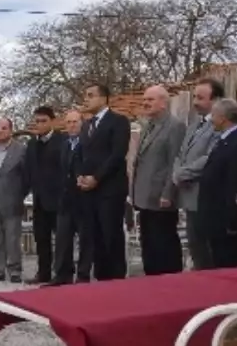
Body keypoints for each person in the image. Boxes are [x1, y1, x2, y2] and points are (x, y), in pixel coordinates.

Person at [129, 85, 186, 275]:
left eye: (150, 100)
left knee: (164, 243)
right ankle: (151, 279)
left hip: (161, 197)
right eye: (144, 100)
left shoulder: (175, 126)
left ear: (163, 103)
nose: (145, 103)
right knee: (149, 244)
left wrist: (168, 192)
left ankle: (170, 281)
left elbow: (174, 162)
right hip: (144, 196)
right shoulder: (147, 126)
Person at [76, 83, 131, 281]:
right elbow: (83, 155)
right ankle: (101, 278)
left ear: (104, 98)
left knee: (111, 235)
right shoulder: (87, 125)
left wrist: (97, 178)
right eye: (86, 95)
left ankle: (116, 279)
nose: (86, 99)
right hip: (89, 191)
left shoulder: (118, 121)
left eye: (91, 95)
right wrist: (81, 176)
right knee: (94, 236)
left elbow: (117, 155)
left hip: (110, 189)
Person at [197, 99, 237, 269]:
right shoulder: (226, 140)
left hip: (227, 226)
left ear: (223, 118)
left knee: (233, 265)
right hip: (217, 222)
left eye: (214, 116)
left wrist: (233, 222)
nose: (210, 120)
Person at [173, 78, 223, 270]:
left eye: (200, 98)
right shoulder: (194, 126)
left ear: (215, 100)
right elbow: (181, 153)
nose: (195, 102)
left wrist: (183, 173)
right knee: (196, 249)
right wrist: (176, 171)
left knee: (208, 253)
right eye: (194, 97)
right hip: (189, 197)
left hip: (206, 197)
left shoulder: (219, 126)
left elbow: (210, 158)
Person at [0, 117, 29, 283]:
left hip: (12, 200)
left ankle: (15, 270)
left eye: (4, 128)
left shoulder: (21, 150)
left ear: (11, 130)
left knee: (12, 239)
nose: (0, 131)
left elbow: (26, 177)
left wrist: (19, 195)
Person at [50, 110, 92, 285]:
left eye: (75, 121)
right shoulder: (65, 144)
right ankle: (63, 274)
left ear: (82, 123)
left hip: (84, 198)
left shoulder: (88, 144)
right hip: (66, 199)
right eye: (68, 122)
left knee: (85, 239)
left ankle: (83, 275)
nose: (72, 125)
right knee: (63, 238)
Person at [23, 107, 64, 284]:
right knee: (41, 238)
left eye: (43, 121)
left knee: (61, 239)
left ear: (52, 121)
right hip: (38, 200)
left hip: (58, 199)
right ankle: (43, 272)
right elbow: (28, 171)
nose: (39, 124)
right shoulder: (32, 144)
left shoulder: (62, 141)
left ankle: (62, 273)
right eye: (37, 121)